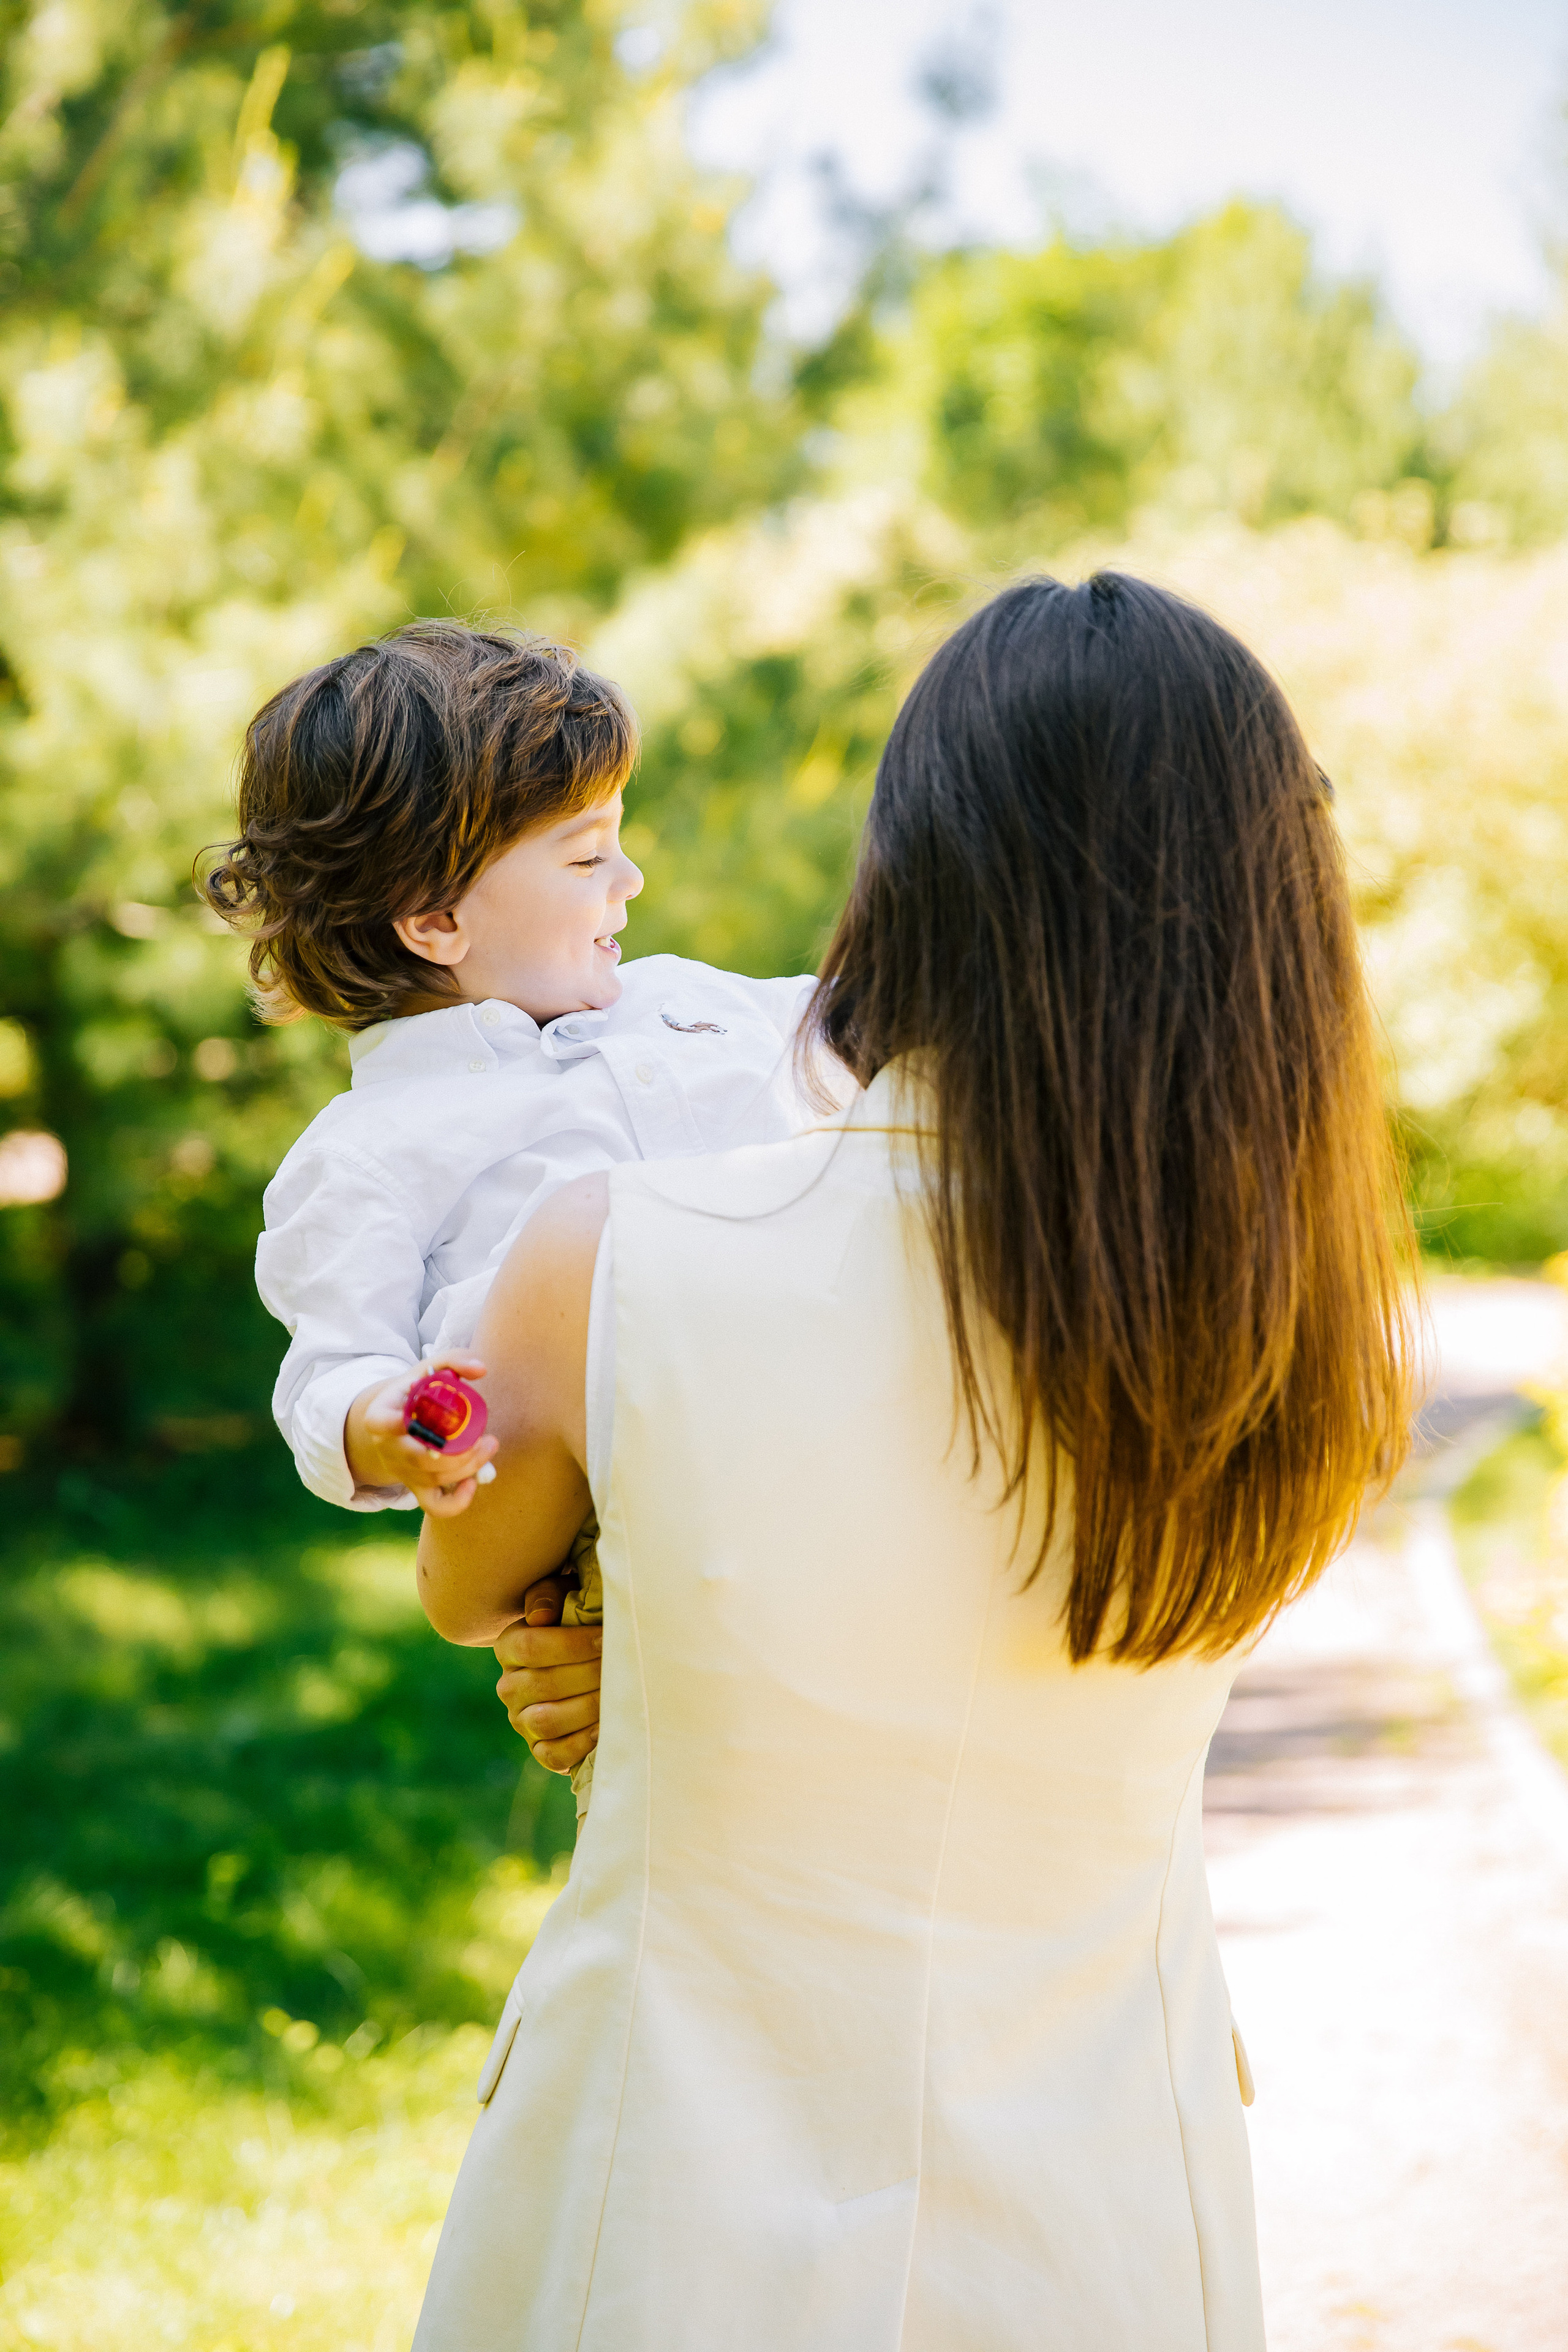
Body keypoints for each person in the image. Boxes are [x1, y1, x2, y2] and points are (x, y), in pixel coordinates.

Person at [412, 573, 1415, 2352]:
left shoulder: (609, 1253)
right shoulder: (1293, 1348)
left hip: (660, 2214)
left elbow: (477, 1585)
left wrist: (607, 1652)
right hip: (1107, 2212)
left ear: (915, 867)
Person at [205, 622, 835, 1817]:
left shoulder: (688, 1004)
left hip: (832, 1450)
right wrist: (384, 1425)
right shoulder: (370, 1152)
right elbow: (331, 1367)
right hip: (622, 1546)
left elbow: (864, 1021)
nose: (630, 882)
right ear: (434, 919)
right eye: (586, 855)